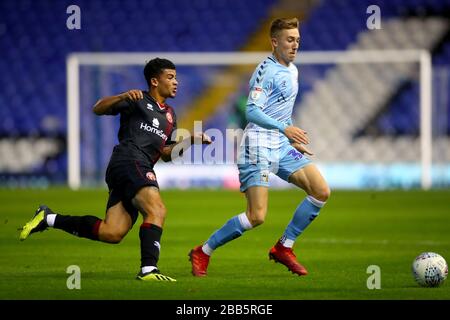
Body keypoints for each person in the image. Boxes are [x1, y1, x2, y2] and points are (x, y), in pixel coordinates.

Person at [19, 58, 211, 282]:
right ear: (154, 81)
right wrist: (122, 96)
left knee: (112, 232)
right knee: (156, 209)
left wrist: (190, 141)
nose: (176, 82)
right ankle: (149, 270)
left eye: (176, 77)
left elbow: (167, 154)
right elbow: (98, 108)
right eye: (170, 77)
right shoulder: (137, 99)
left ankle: (49, 218)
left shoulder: (170, 115)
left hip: (137, 166)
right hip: (129, 160)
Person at [189, 18, 330, 277]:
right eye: (289, 40)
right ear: (274, 42)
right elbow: (252, 111)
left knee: (320, 190)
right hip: (257, 147)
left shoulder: (293, 70)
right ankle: (203, 251)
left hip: (279, 145)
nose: (295, 44)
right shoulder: (266, 70)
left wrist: (290, 137)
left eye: (297, 40)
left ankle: (284, 247)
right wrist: (284, 129)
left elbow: (281, 112)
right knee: (256, 216)